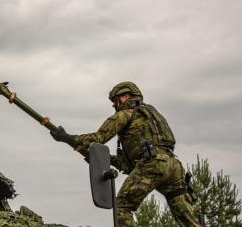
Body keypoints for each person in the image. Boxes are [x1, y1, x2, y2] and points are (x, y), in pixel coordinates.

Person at [50, 81, 201, 227]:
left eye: (115, 100)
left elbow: (98, 138)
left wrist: (67, 138)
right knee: (186, 217)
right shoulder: (151, 116)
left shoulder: (125, 114)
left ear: (126, 96)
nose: (113, 104)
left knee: (121, 206)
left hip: (153, 165)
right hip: (173, 167)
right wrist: (102, 159)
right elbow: (128, 165)